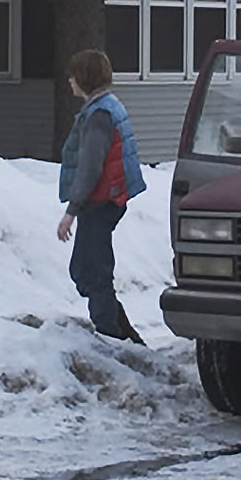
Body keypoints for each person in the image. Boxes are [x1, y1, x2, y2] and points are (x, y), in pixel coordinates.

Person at [55, 49, 146, 343]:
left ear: (83, 78)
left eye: (73, 75)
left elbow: (90, 168)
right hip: (106, 199)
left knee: (93, 272)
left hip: (101, 201)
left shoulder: (99, 116)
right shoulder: (106, 106)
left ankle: (111, 337)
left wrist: (71, 211)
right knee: (84, 268)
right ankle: (123, 331)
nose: (69, 80)